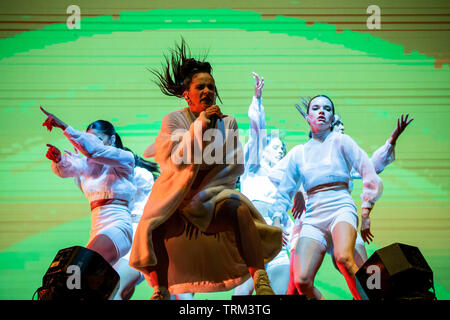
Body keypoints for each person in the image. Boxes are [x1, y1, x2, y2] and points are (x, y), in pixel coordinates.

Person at [129, 39, 282, 300]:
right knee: (153, 226)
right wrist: (200, 125)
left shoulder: (228, 123)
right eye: (200, 86)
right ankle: (160, 290)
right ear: (186, 93)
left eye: (211, 86)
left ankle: (262, 280)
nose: (207, 91)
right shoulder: (174, 120)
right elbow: (174, 161)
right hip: (176, 199)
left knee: (240, 210)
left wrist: (205, 194)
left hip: (212, 197)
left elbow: (234, 168)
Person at [269, 95, 383, 300]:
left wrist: (365, 212)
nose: (322, 111)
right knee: (301, 281)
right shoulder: (299, 153)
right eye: (316, 108)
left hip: (340, 207)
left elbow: (369, 170)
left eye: (327, 109)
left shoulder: (341, 141)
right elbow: (284, 190)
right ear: (307, 116)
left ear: (332, 118)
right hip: (314, 215)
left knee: (344, 258)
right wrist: (277, 221)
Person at [286, 113, 413, 295]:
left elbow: (371, 166)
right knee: (297, 284)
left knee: (363, 273)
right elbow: (292, 178)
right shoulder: (305, 154)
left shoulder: (345, 156)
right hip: (311, 224)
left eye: (343, 124)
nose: (343, 128)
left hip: (340, 219)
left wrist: (391, 140)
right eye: (338, 124)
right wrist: (298, 191)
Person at [41, 108, 136, 286]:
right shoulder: (86, 165)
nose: (92, 144)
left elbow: (93, 151)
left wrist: (63, 126)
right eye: (88, 139)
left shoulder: (125, 158)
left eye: (98, 139)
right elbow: (68, 168)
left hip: (117, 226)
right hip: (97, 228)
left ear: (112, 139)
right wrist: (58, 158)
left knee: (76, 272)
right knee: (78, 284)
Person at [234, 72, 292, 295]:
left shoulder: (287, 179)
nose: (280, 150)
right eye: (275, 146)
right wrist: (257, 99)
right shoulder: (253, 169)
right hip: (251, 237)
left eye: (282, 149)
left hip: (278, 239)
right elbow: (257, 131)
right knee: (240, 296)